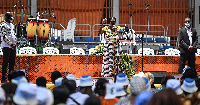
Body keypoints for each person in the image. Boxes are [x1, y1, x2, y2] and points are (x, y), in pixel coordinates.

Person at [0, 12, 17, 83]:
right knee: (5, 62)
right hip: (6, 46)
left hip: (13, 47)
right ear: (6, 17)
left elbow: (14, 35)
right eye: (10, 17)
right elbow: (4, 36)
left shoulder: (12, 25)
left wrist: (15, 43)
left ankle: (11, 78)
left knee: (12, 63)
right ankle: (3, 78)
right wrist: (11, 44)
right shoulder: (3, 25)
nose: (11, 18)